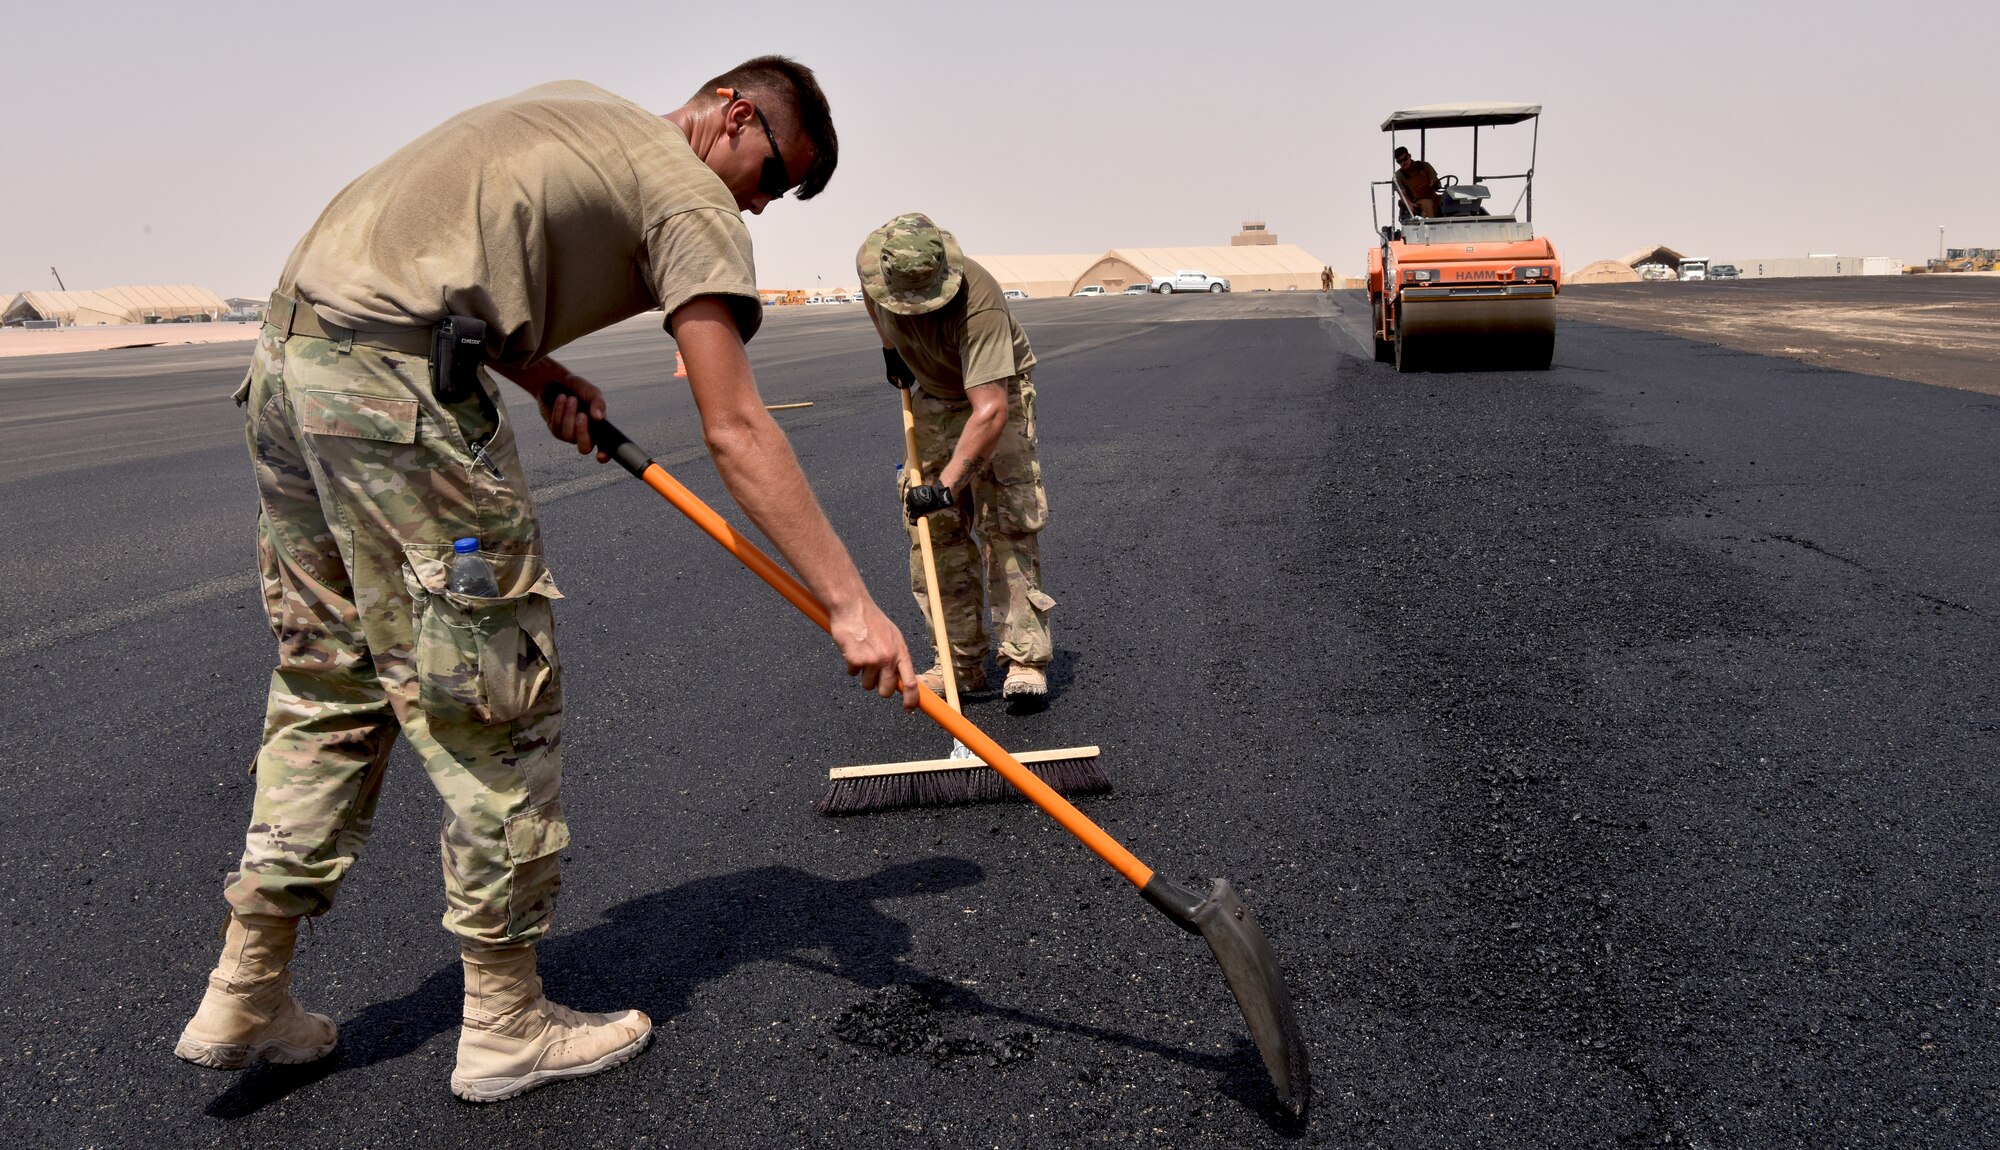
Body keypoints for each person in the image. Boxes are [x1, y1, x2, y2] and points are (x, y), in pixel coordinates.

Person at [175, 58, 918, 1104]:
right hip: (393, 398)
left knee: (330, 681)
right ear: (735, 114)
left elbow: (448, 270)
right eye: (772, 175)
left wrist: (536, 370)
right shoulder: (691, 191)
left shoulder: (576, 110)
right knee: (494, 699)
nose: (760, 202)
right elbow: (737, 425)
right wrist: (851, 603)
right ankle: (506, 1024)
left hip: (291, 373)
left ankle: (246, 985)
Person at [857, 213, 1057, 703]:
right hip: (933, 396)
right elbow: (871, 301)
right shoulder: (872, 271)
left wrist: (946, 484)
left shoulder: (978, 303)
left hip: (993, 397)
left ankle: (1024, 659)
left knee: (1006, 523)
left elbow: (988, 411)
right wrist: (891, 350)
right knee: (933, 531)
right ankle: (958, 662)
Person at [1393, 146, 1440, 218]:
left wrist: (1434, 183)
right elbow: (1402, 194)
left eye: (1405, 159)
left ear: (1409, 156)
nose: (1403, 163)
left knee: (1451, 201)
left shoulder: (1424, 166)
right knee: (1427, 204)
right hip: (1415, 201)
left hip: (1432, 196)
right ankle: (1430, 226)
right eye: (1399, 161)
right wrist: (1409, 204)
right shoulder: (1399, 175)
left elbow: (1435, 181)